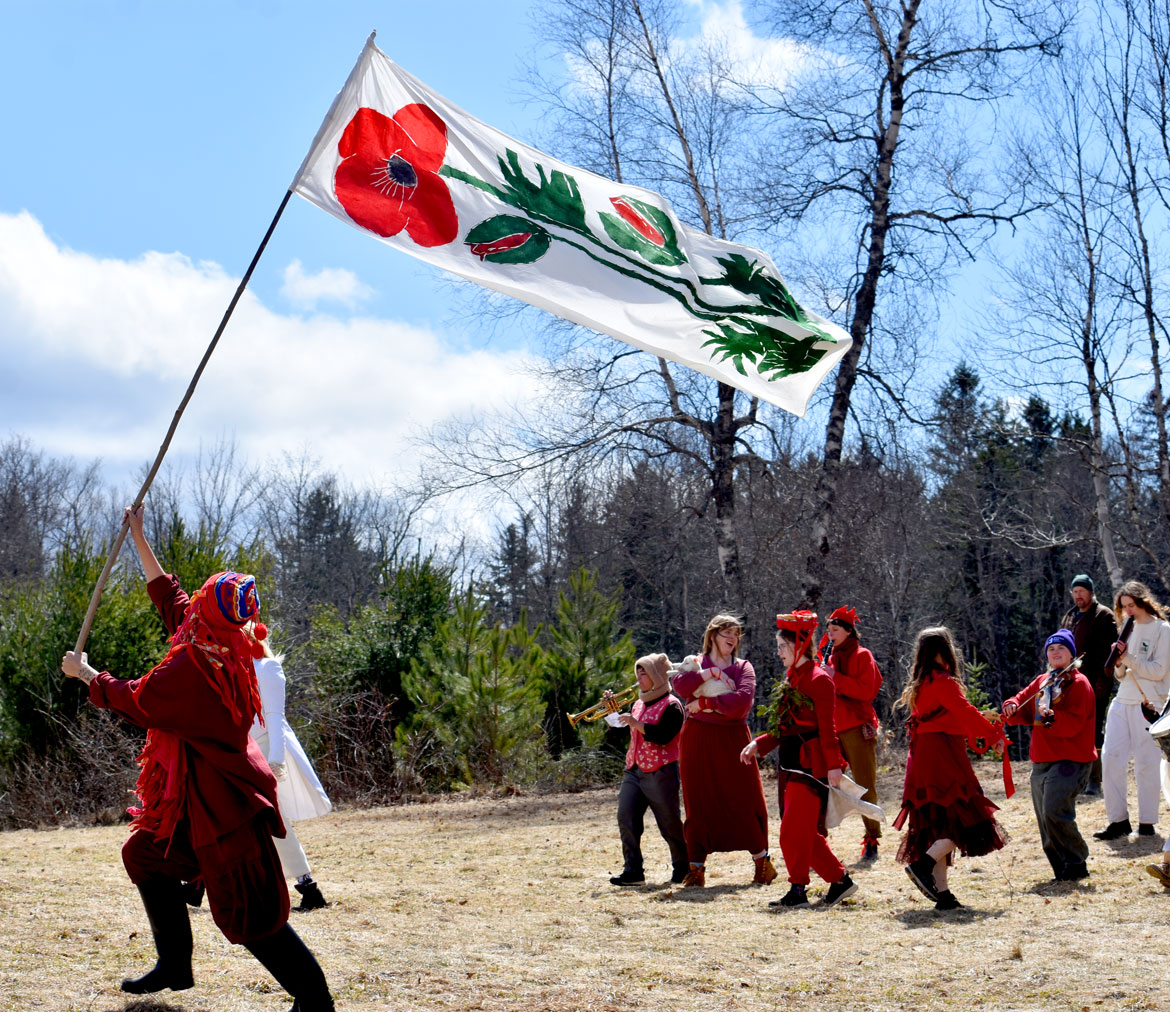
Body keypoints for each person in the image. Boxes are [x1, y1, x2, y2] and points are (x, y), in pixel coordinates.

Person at [60, 506, 334, 1012]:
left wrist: (85, 673)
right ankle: (175, 963)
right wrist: (138, 535)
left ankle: (315, 1000)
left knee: (249, 911)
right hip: (193, 797)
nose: (193, 604)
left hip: (225, 805)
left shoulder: (196, 668)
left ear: (209, 611)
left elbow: (139, 700)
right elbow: (172, 597)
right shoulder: (225, 635)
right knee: (144, 855)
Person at [741, 611, 856, 908]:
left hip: (811, 766)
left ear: (799, 646)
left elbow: (828, 728)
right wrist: (758, 743)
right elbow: (784, 727)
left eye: (782, 647)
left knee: (792, 832)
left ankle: (797, 889)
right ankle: (840, 881)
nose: (778, 653)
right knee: (804, 832)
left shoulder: (820, 681)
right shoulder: (792, 679)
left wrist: (833, 766)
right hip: (791, 763)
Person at [894, 627, 1007, 911]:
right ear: (945, 652)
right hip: (942, 757)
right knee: (967, 818)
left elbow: (953, 716)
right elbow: (964, 712)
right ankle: (924, 864)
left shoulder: (923, 683)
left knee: (939, 826)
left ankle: (943, 896)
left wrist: (984, 726)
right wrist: (994, 735)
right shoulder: (943, 681)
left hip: (925, 757)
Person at [671, 615, 775, 887]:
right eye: (727, 632)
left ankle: (763, 864)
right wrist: (710, 679)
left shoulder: (743, 667)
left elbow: (741, 703)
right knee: (698, 800)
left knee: (746, 798)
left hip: (733, 738)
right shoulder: (696, 662)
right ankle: (696, 869)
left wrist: (704, 701)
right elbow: (681, 687)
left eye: (736, 633)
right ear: (713, 635)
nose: (732, 638)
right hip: (697, 739)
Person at [1002, 629, 1097, 883]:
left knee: (1055, 810)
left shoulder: (1079, 684)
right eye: (1051, 649)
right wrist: (1011, 705)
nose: (1055, 652)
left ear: (1071, 655)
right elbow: (1021, 701)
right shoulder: (1043, 680)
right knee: (1044, 818)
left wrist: (1051, 717)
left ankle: (1076, 860)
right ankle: (1061, 868)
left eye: (1061, 649)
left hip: (1071, 760)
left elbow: (1075, 723)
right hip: (1041, 758)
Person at [251, 635, 334, 909]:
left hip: (264, 751)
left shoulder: (267, 668)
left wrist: (275, 761)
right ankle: (195, 884)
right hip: (242, 751)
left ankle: (307, 886)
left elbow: (275, 717)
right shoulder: (231, 670)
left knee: (275, 819)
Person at [1095, 581, 1170, 840]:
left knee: (1146, 763)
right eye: (1123, 607)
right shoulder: (1127, 629)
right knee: (1111, 757)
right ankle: (1118, 820)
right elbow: (1122, 675)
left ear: (1143, 602)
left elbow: (1159, 671)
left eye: (1132, 605)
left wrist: (1127, 658)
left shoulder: (1163, 630)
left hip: (1150, 704)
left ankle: (1147, 822)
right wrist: (1118, 662)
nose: (1128, 611)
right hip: (1122, 700)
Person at [608, 653, 688, 886]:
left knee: (669, 823)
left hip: (661, 771)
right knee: (626, 816)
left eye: (645, 672)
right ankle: (633, 871)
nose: (639, 676)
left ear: (658, 676)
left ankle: (683, 868)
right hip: (633, 770)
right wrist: (612, 711)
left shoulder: (673, 706)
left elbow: (663, 736)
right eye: (638, 671)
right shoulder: (638, 703)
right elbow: (620, 734)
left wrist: (637, 724)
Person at [822, 606, 883, 861]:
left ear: (848, 631)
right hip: (832, 728)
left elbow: (866, 691)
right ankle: (820, 839)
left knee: (865, 784)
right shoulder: (828, 657)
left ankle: (872, 838)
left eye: (835, 630)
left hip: (857, 727)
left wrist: (835, 677)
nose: (830, 635)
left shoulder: (862, 655)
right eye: (829, 630)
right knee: (826, 783)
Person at [1060, 574, 1119, 796]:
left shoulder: (1103, 616)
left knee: (1093, 732)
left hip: (1094, 685)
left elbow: (1108, 657)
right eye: (1075, 592)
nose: (1078, 596)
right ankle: (1076, 779)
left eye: (1081, 591)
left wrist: (1102, 688)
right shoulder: (1071, 616)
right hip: (1069, 685)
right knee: (1071, 731)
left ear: (1090, 592)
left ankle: (1095, 780)